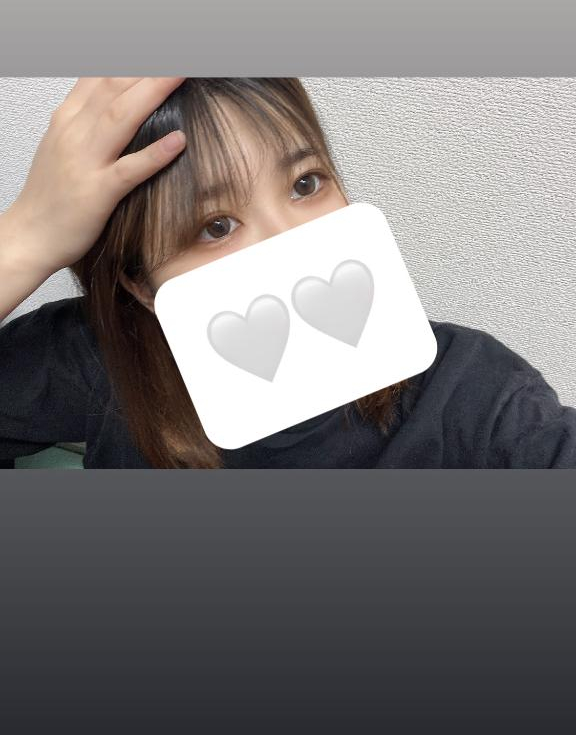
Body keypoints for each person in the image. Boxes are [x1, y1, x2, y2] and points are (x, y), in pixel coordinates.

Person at [1, 77, 575, 469]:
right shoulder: (105, 363)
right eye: (215, 226)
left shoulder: (473, 393)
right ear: (141, 287)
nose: (293, 240)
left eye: (306, 184)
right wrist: (25, 239)